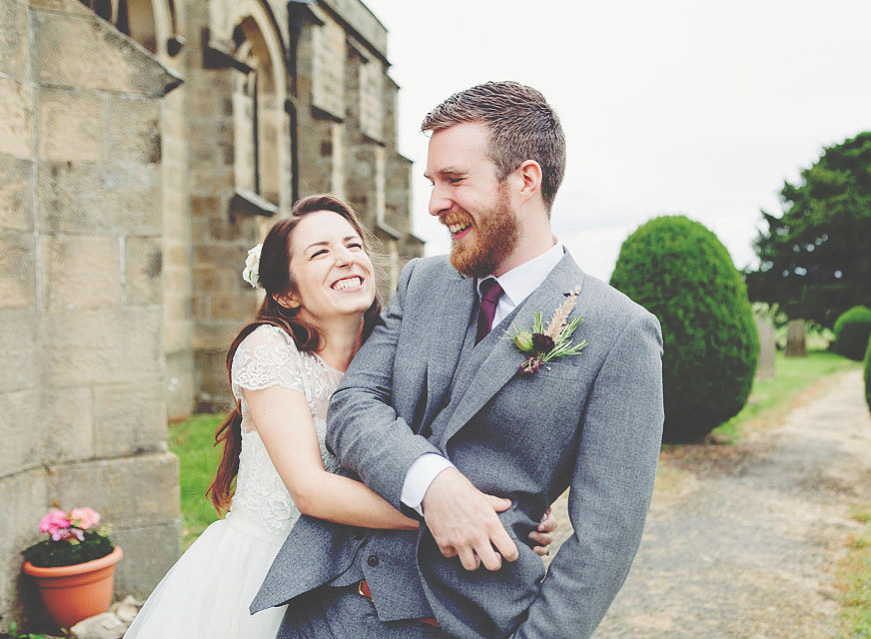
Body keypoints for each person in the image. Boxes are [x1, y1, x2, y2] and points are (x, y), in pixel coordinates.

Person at [253, 82, 664, 639]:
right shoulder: (423, 282)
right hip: (325, 610)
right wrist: (433, 485)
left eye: (454, 180)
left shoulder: (620, 332)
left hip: (463, 623)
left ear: (524, 180)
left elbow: (605, 540)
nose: (434, 204)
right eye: (432, 182)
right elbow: (353, 405)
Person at [123, 193, 560, 639]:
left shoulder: (394, 355)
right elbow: (312, 491)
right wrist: (455, 513)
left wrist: (505, 508)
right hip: (265, 571)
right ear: (286, 293)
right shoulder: (270, 348)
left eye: (353, 246)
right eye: (320, 252)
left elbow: (437, 450)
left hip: (351, 582)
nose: (346, 259)